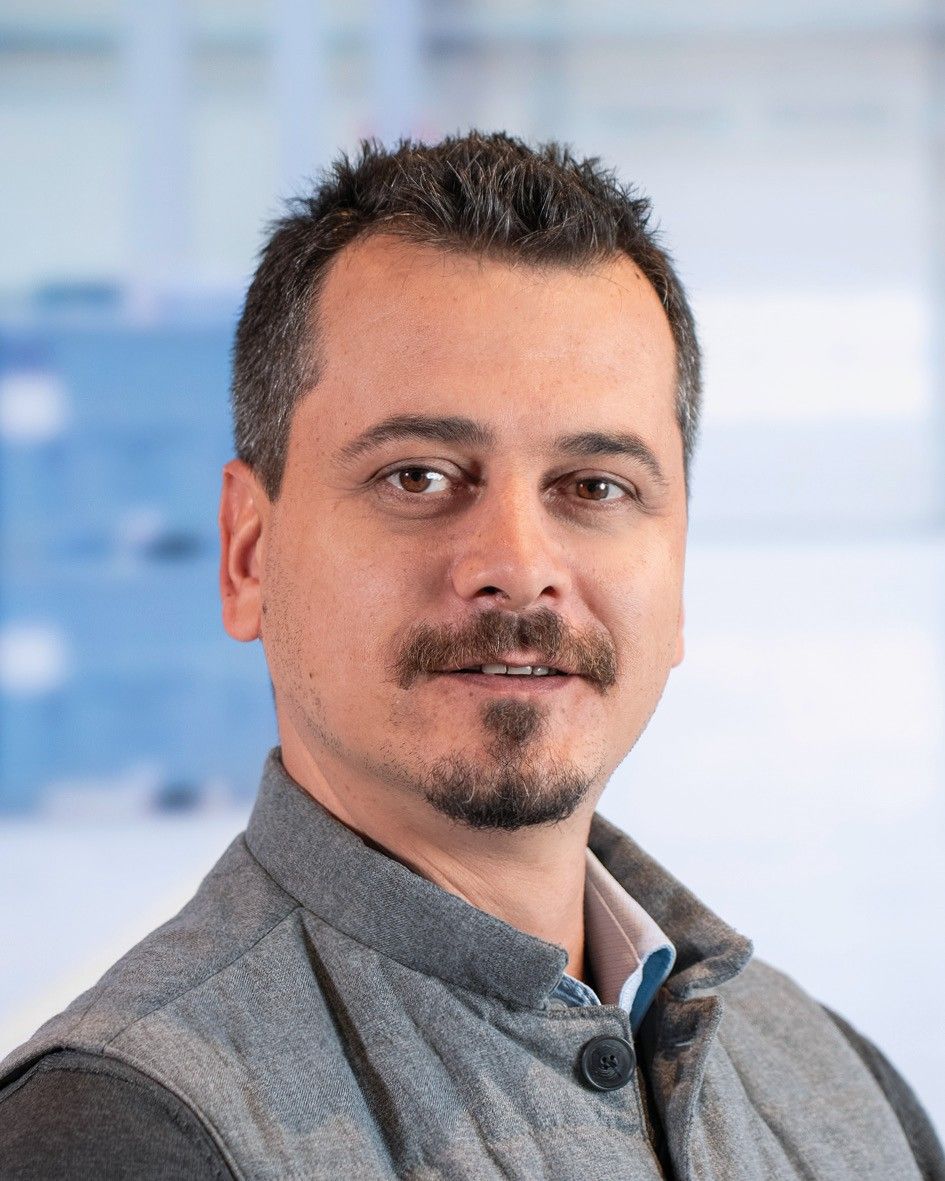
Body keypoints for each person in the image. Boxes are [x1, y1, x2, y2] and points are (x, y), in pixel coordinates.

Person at [0, 131, 941, 1181]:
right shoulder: (122, 1132)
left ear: (676, 577)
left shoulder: (847, 1090)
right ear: (248, 553)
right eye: (419, 475)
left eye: (595, 485)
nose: (518, 566)